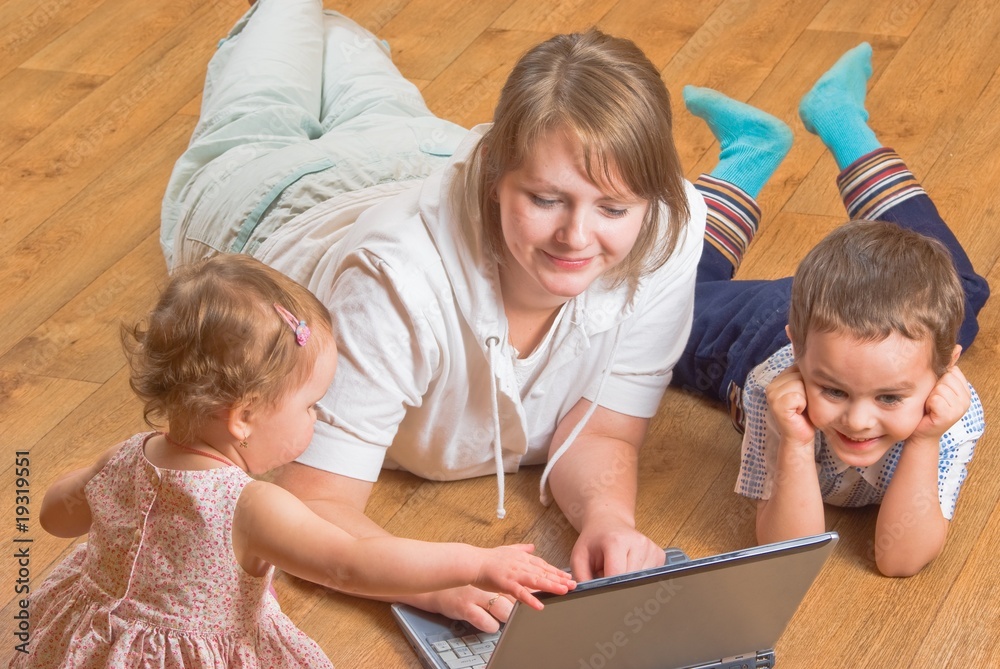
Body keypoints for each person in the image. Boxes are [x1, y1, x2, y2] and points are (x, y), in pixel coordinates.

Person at [160, 0, 707, 630]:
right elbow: (313, 507)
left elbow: (603, 430)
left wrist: (609, 519)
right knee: (272, 70)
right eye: (546, 200)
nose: (577, 237)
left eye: (611, 209)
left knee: (350, 56)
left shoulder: (666, 226)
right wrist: (438, 580)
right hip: (279, 200)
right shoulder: (395, 281)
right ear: (496, 173)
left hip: (419, 151)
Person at [12, 254, 575, 668]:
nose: (318, 417)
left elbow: (54, 516)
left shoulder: (123, 457)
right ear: (243, 417)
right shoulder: (250, 507)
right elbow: (352, 562)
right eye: (310, 406)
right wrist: (474, 563)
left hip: (93, 646)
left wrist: (92, 489)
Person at [671, 43, 989, 577]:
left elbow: (900, 559)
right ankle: (750, 154)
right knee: (655, 316)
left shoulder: (953, 416)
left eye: (889, 397)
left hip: (854, 320)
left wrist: (925, 439)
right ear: (799, 354)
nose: (858, 421)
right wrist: (796, 443)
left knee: (962, 292)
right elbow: (786, 553)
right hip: (759, 329)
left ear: (944, 369)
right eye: (834, 391)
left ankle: (838, 118)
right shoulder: (776, 388)